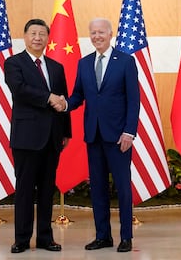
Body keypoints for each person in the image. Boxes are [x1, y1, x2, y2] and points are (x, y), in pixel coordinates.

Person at [53, 18, 140, 252]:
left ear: (111, 34)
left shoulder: (126, 62)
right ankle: (103, 236)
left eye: (101, 32)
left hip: (119, 137)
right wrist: (64, 104)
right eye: (93, 32)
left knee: (122, 188)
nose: (97, 36)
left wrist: (129, 132)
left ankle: (125, 237)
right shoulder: (84, 63)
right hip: (94, 136)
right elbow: (78, 96)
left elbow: (134, 101)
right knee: (98, 188)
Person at [4, 18, 71, 253]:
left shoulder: (56, 67)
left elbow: (63, 100)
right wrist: (47, 98)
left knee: (46, 189)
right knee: (24, 189)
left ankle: (45, 238)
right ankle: (22, 239)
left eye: (42, 34)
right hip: (26, 137)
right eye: (33, 33)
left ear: (47, 38)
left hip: (52, 137)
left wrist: (66, 131)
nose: (37, 38)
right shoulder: (14, 63)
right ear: (25, 36)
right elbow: (19, 90)